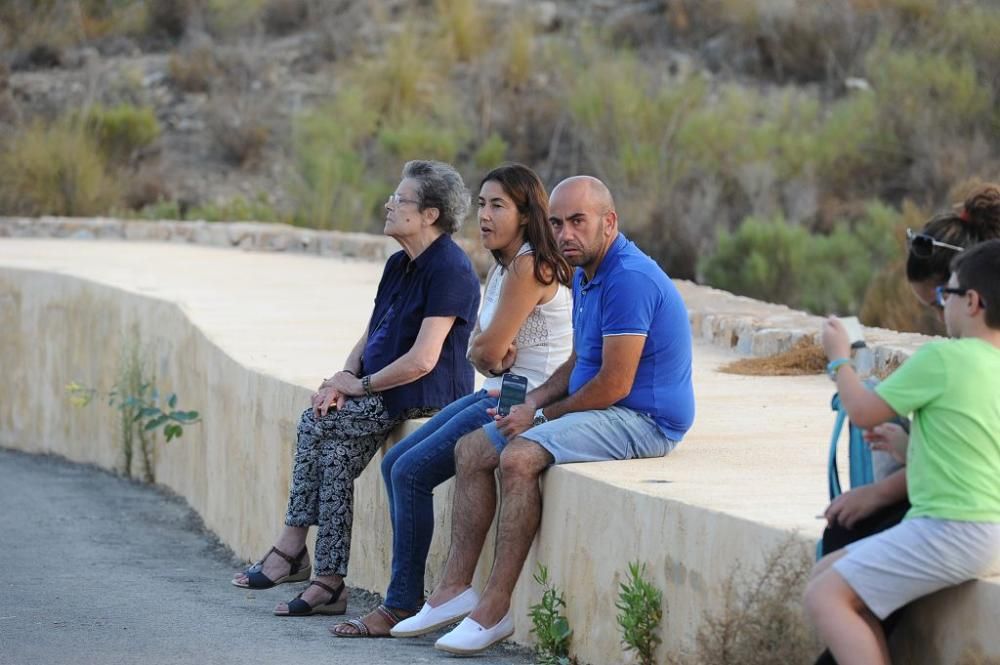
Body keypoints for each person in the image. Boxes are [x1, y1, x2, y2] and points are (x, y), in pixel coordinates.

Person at [391, 175, 696, 654]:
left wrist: (537, 420)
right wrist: (533, 402)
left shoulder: (628, 279)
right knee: (472, 450)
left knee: (518, 457)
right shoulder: (589, 272)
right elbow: (579, 363)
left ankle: (493, 610)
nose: (565, 233)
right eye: (556, 223)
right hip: (605, 406)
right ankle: (453, 591)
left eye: (578, 221)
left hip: (644, 419)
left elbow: (615, 384)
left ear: (609, 222)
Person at [229, 160, 481, 618]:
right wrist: (340, 381)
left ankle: (292, 548)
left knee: (315, 422)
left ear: (429, 214)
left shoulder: (451, 269)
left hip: (424, 393)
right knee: (332, 451)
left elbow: (424, 359)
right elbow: (374, 333)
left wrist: (359, 386)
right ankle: (328, 582)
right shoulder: (398, 264)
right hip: (380, 391)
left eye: (400, 199)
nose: (389, 204)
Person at [330, 164, 574, 637]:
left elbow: (485, 349)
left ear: (526, 214)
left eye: (497, 205)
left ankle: (405, 601)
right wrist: (489, 351)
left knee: (409, 471)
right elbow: (480, 351)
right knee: (396, 462)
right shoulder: (505, 265)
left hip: (521, 400)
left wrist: (490, 351)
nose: (484, 215)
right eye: (482, 204)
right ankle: (423, 596)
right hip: (497, 389)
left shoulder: (528, 266)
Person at [813, 184, 1000, 664]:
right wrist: (912, 446)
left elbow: (860, 411)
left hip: (951, 527)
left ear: (972, 301)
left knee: (824, 596)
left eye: (946, 295)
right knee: (834, 575)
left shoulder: (944, 359)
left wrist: (841, 360)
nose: (941, 310)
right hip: (984, 528)